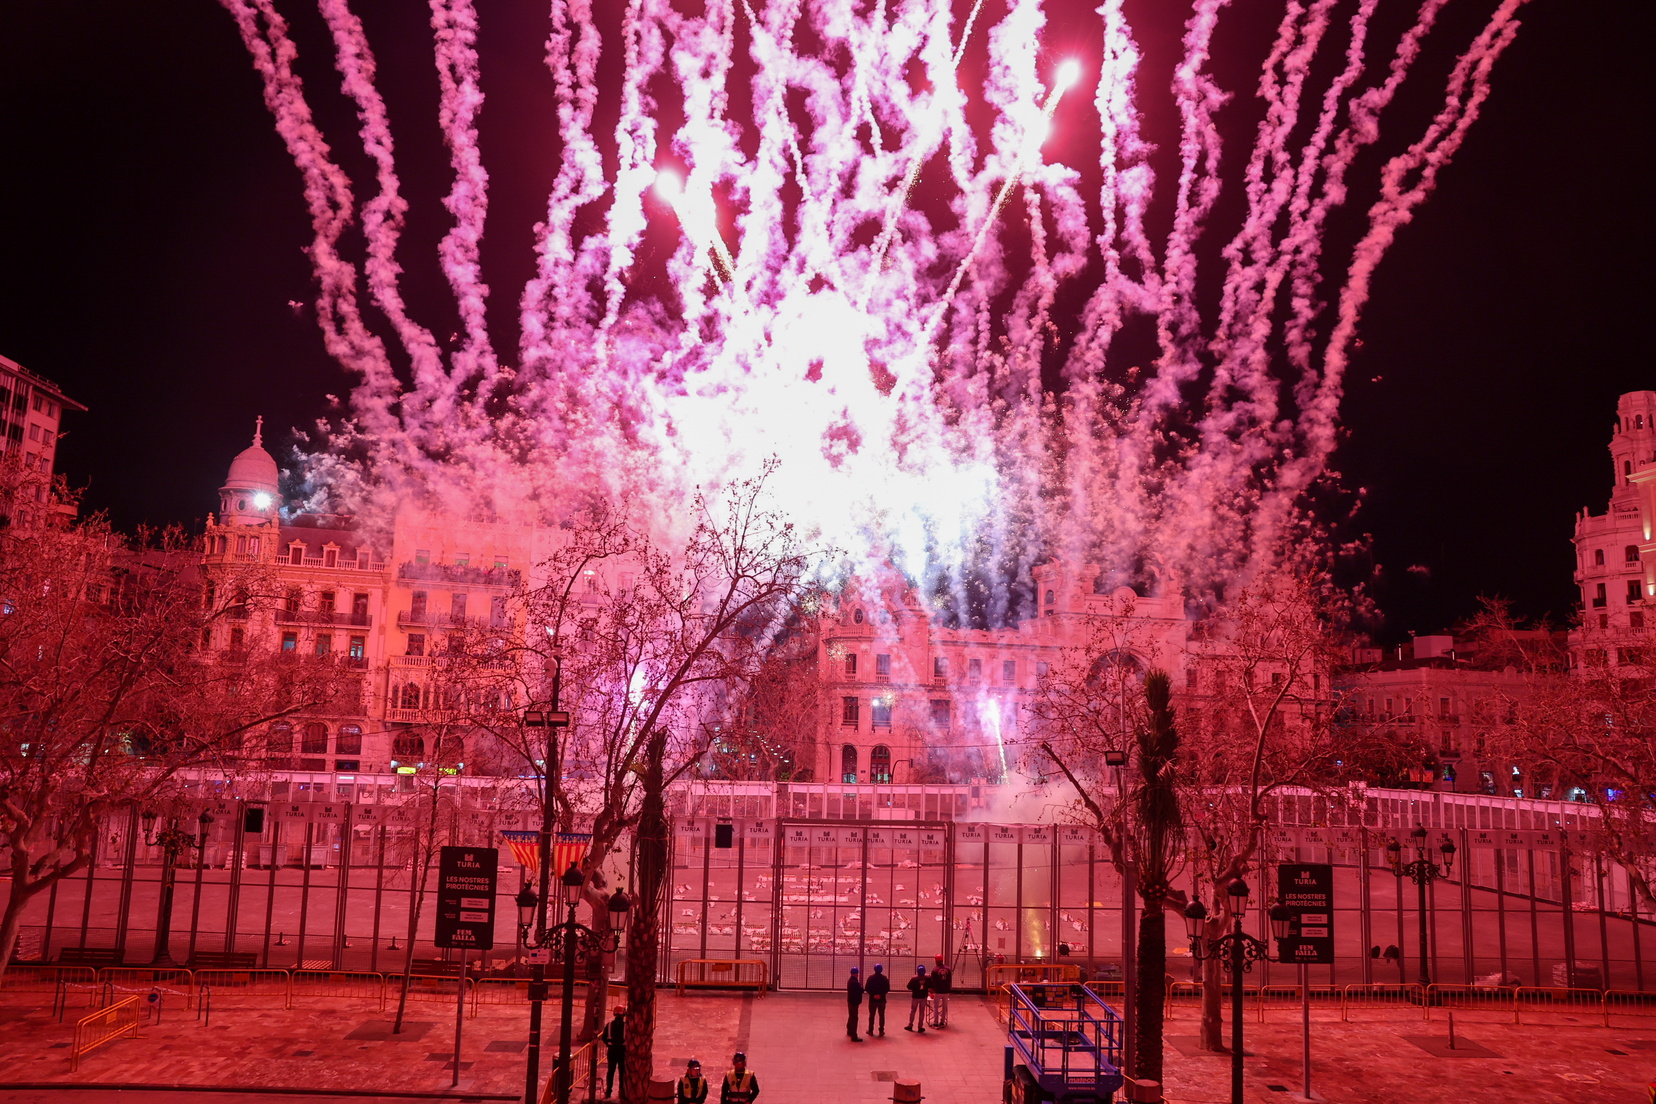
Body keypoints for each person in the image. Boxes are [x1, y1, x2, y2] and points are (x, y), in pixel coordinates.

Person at [602, 1005, 627, 1098]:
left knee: (611, 1071)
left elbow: (603, 1038)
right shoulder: (626, 1026)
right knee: (622, 1072)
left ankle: (608, 1091)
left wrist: (609, 1045)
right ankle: (621, 1091)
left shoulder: (609, 1025)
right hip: (622, 1051)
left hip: (612, 1051)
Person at [865, 963, 890, 1036]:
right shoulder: (885, 979)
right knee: (881, 1015)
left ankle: (870, 1030)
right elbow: (887, 989)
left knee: (872, 1015)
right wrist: (880, 995)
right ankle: (881, 1030)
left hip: (873, 1000)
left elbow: (867, 988)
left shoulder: (871, 978)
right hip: (882, 1000)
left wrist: (873, 995)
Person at [928, 954, 952, 1027]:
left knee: (936, 1007)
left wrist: (931, 990)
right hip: (946, 990)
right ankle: (942, 1021)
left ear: (936, 961)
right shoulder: (948, 969)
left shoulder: (935, 970)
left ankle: (936, 1022)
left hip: (938, 991)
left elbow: (932, 981)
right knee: (945, 1007)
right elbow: (950, 980)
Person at [904, 964, 929, 1033]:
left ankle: (910, 1025)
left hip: (915, 997)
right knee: (922, 1012)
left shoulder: (914, 979)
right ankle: (920, 1027)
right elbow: (930, 985)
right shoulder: (927, 978)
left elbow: (908, 987)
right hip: (923, 996)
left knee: (913, 1011)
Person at [846, 966, 864, 1040]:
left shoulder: (850, 981)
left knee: (851, 1016)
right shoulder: (855, 983)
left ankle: (849, 1030)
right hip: (854, 1002)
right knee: (854, 1018)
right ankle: (854, 1035)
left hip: (850, 1001)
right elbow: (860, 990)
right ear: (856, 974)